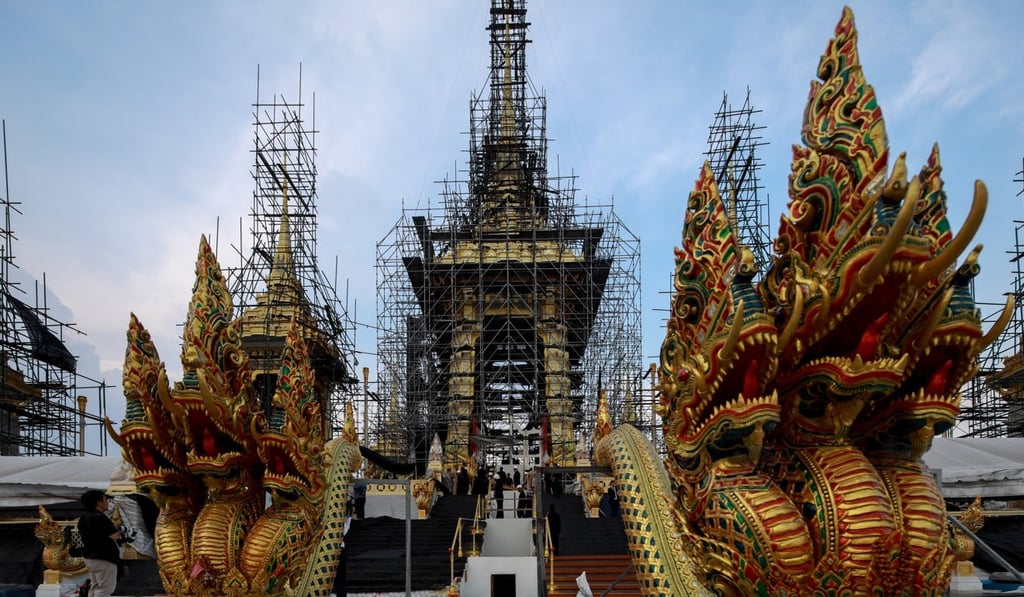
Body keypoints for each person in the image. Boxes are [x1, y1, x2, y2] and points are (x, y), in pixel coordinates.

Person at [77, 490, 123, 597]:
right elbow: (114, 535)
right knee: (105, 589)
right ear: (99, 503)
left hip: (90, 557)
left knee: (95, 586)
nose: (107, 502)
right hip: (103, 558)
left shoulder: (84, 518)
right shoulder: (99, 517)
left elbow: (99, 533)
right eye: (105, 500)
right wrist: (124, 530)